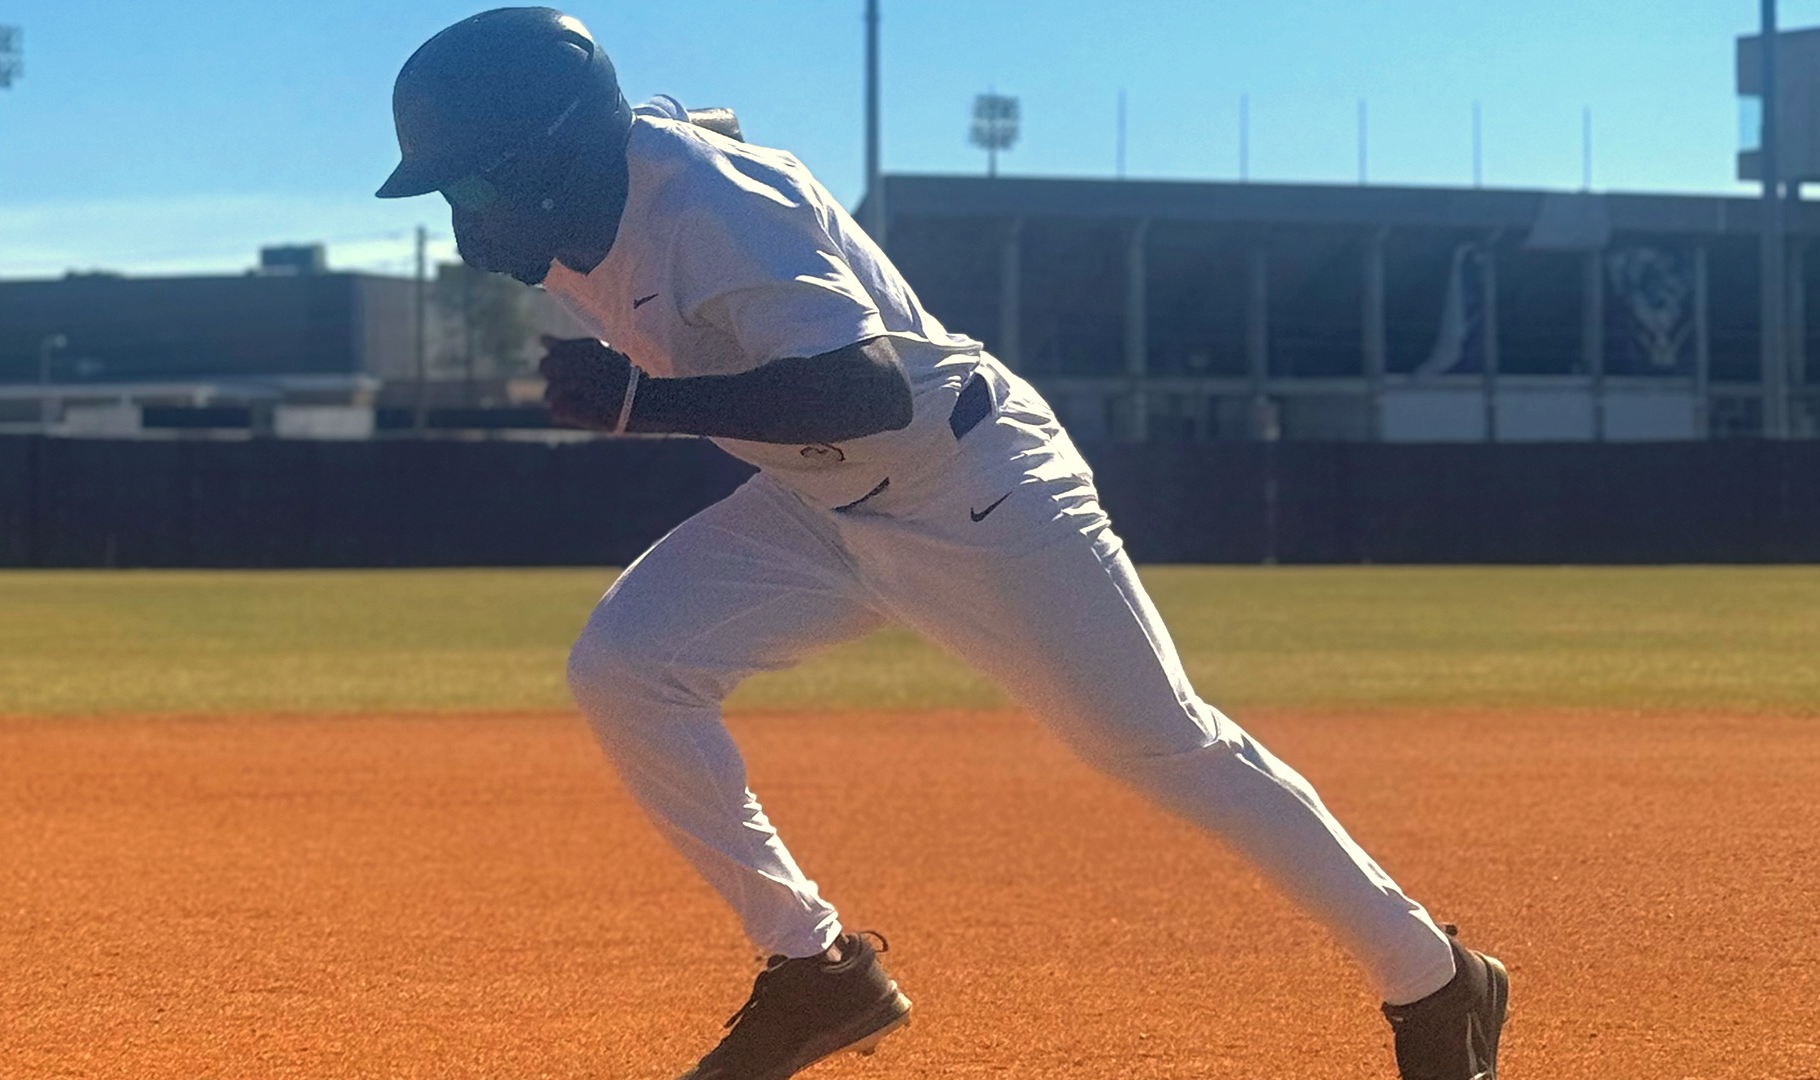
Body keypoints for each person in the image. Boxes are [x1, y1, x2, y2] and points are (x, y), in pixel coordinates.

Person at [376, 9, 1510, 1080]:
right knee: (626, 667)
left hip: (968, 483)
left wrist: (636, 402)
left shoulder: (718, 206)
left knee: (1160, 745)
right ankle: (814, 970)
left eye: (473, 186)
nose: (466, 227)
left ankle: (1434, 979)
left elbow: (862, 390)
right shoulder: (576, 211)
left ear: (556, 153)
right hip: (815, 505)